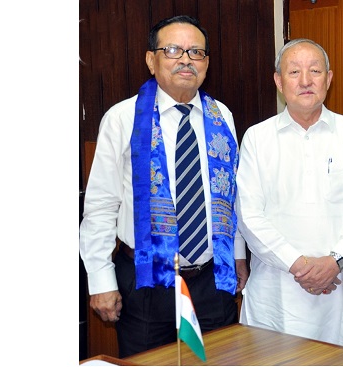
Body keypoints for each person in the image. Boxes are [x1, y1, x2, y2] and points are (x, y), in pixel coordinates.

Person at [80, 15, 249, 358]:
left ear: (206, 63)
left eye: (196, 52)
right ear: (150, 59)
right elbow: (100, 205)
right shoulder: (123, 118)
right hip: (145, 283)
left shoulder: (223, 117)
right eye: (172, 50)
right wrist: (100, 281)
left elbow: (232, 197)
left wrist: (238, 256)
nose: (185, 59)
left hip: (211, 281)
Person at [235, 38, 343, 353]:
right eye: (294, 72)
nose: (305, 81)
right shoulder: (257, 138)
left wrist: (335, 260)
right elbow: (248, 215)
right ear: (278, 81)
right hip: (280, 290)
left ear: (328, 79)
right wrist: (299, 265)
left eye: (315, 71)